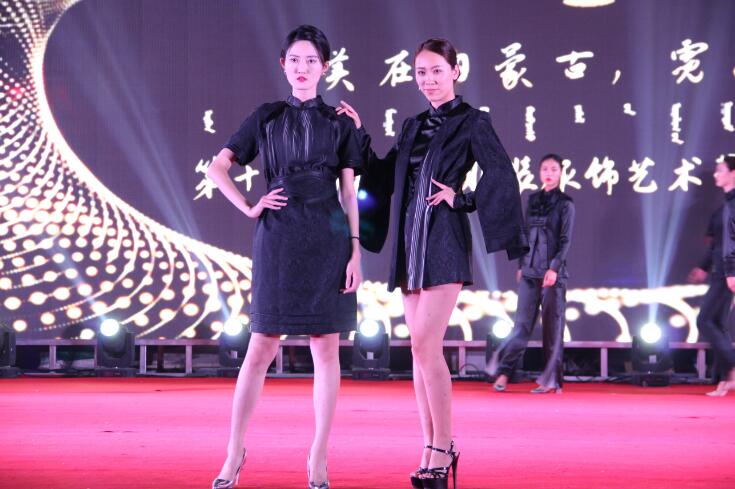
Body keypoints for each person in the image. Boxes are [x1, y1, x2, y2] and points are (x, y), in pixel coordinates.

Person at [338, 38, 526, 489]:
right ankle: (430, 447)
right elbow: (385, 175)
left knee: (426, 346)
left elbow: (502, 174)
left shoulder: (473, 121)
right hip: (410, 245)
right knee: (419, 352)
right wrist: (359, 134)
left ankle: (443, 446)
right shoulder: (412, 125)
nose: (428, 80)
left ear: (455, 71)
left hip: (443, 241)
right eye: (421, 72)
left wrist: (462, 198)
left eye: (437, 70)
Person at [207, 25, 363, 489]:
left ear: (325, 67)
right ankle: (234, 452)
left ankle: (319, 454)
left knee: (326, 347)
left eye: (311, 61)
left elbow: (349, 193)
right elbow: (218, 167)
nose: (302, 68)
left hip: (329, 238)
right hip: (278, 238)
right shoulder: (267, 116)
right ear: (283, 65)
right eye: (294, 60)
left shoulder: (339, 122)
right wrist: (249, 207)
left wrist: (356, 250)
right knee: (260, 346)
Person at [490, 154, 575, 394]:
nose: (549, 173)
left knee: (552, 330)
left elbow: (565, 240)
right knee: (521, 326)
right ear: (539, 172)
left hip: (552, 276)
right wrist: (521, 265)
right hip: (529, 271)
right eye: (545, 169)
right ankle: (504, 373)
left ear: (561, 173)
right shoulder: (533, 199)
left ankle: (551, 381)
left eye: (554, 169)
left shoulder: (566, 204)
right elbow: (525, 235)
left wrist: (553, 268)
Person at [688, 154, 735, 396]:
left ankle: (732, 368)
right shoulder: (723, 208)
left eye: (720, 170)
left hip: (728, 272)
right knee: (717, 323)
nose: (716, 174)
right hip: (721, 270)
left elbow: (731, 243)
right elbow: (717, 243)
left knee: (705, 320)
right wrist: (703, 267)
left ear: (733, 173)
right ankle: (726, 378)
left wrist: (731, 272)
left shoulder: (732, 206)